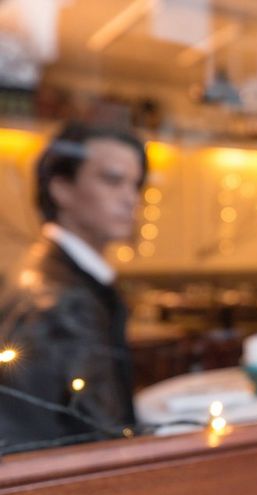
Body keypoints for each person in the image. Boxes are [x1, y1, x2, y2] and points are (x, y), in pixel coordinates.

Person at [0, 122, 148, 449]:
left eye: (135, 184)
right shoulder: (63, 299)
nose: (130, 198)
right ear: (61, 189)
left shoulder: (38, 271)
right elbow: (102, 441)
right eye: (112, 180)